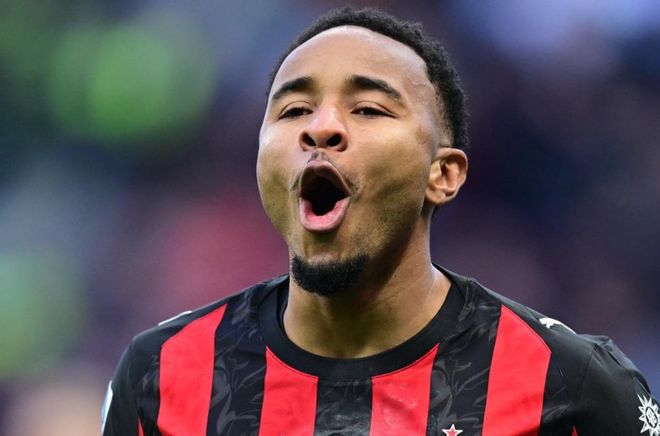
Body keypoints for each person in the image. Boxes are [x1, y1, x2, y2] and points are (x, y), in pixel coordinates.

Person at [102, 6, 659, 436]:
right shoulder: (161, 373)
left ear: (443, 174)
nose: (320, 128)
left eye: (368, 109)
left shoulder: (572, 384)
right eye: (293, 110)